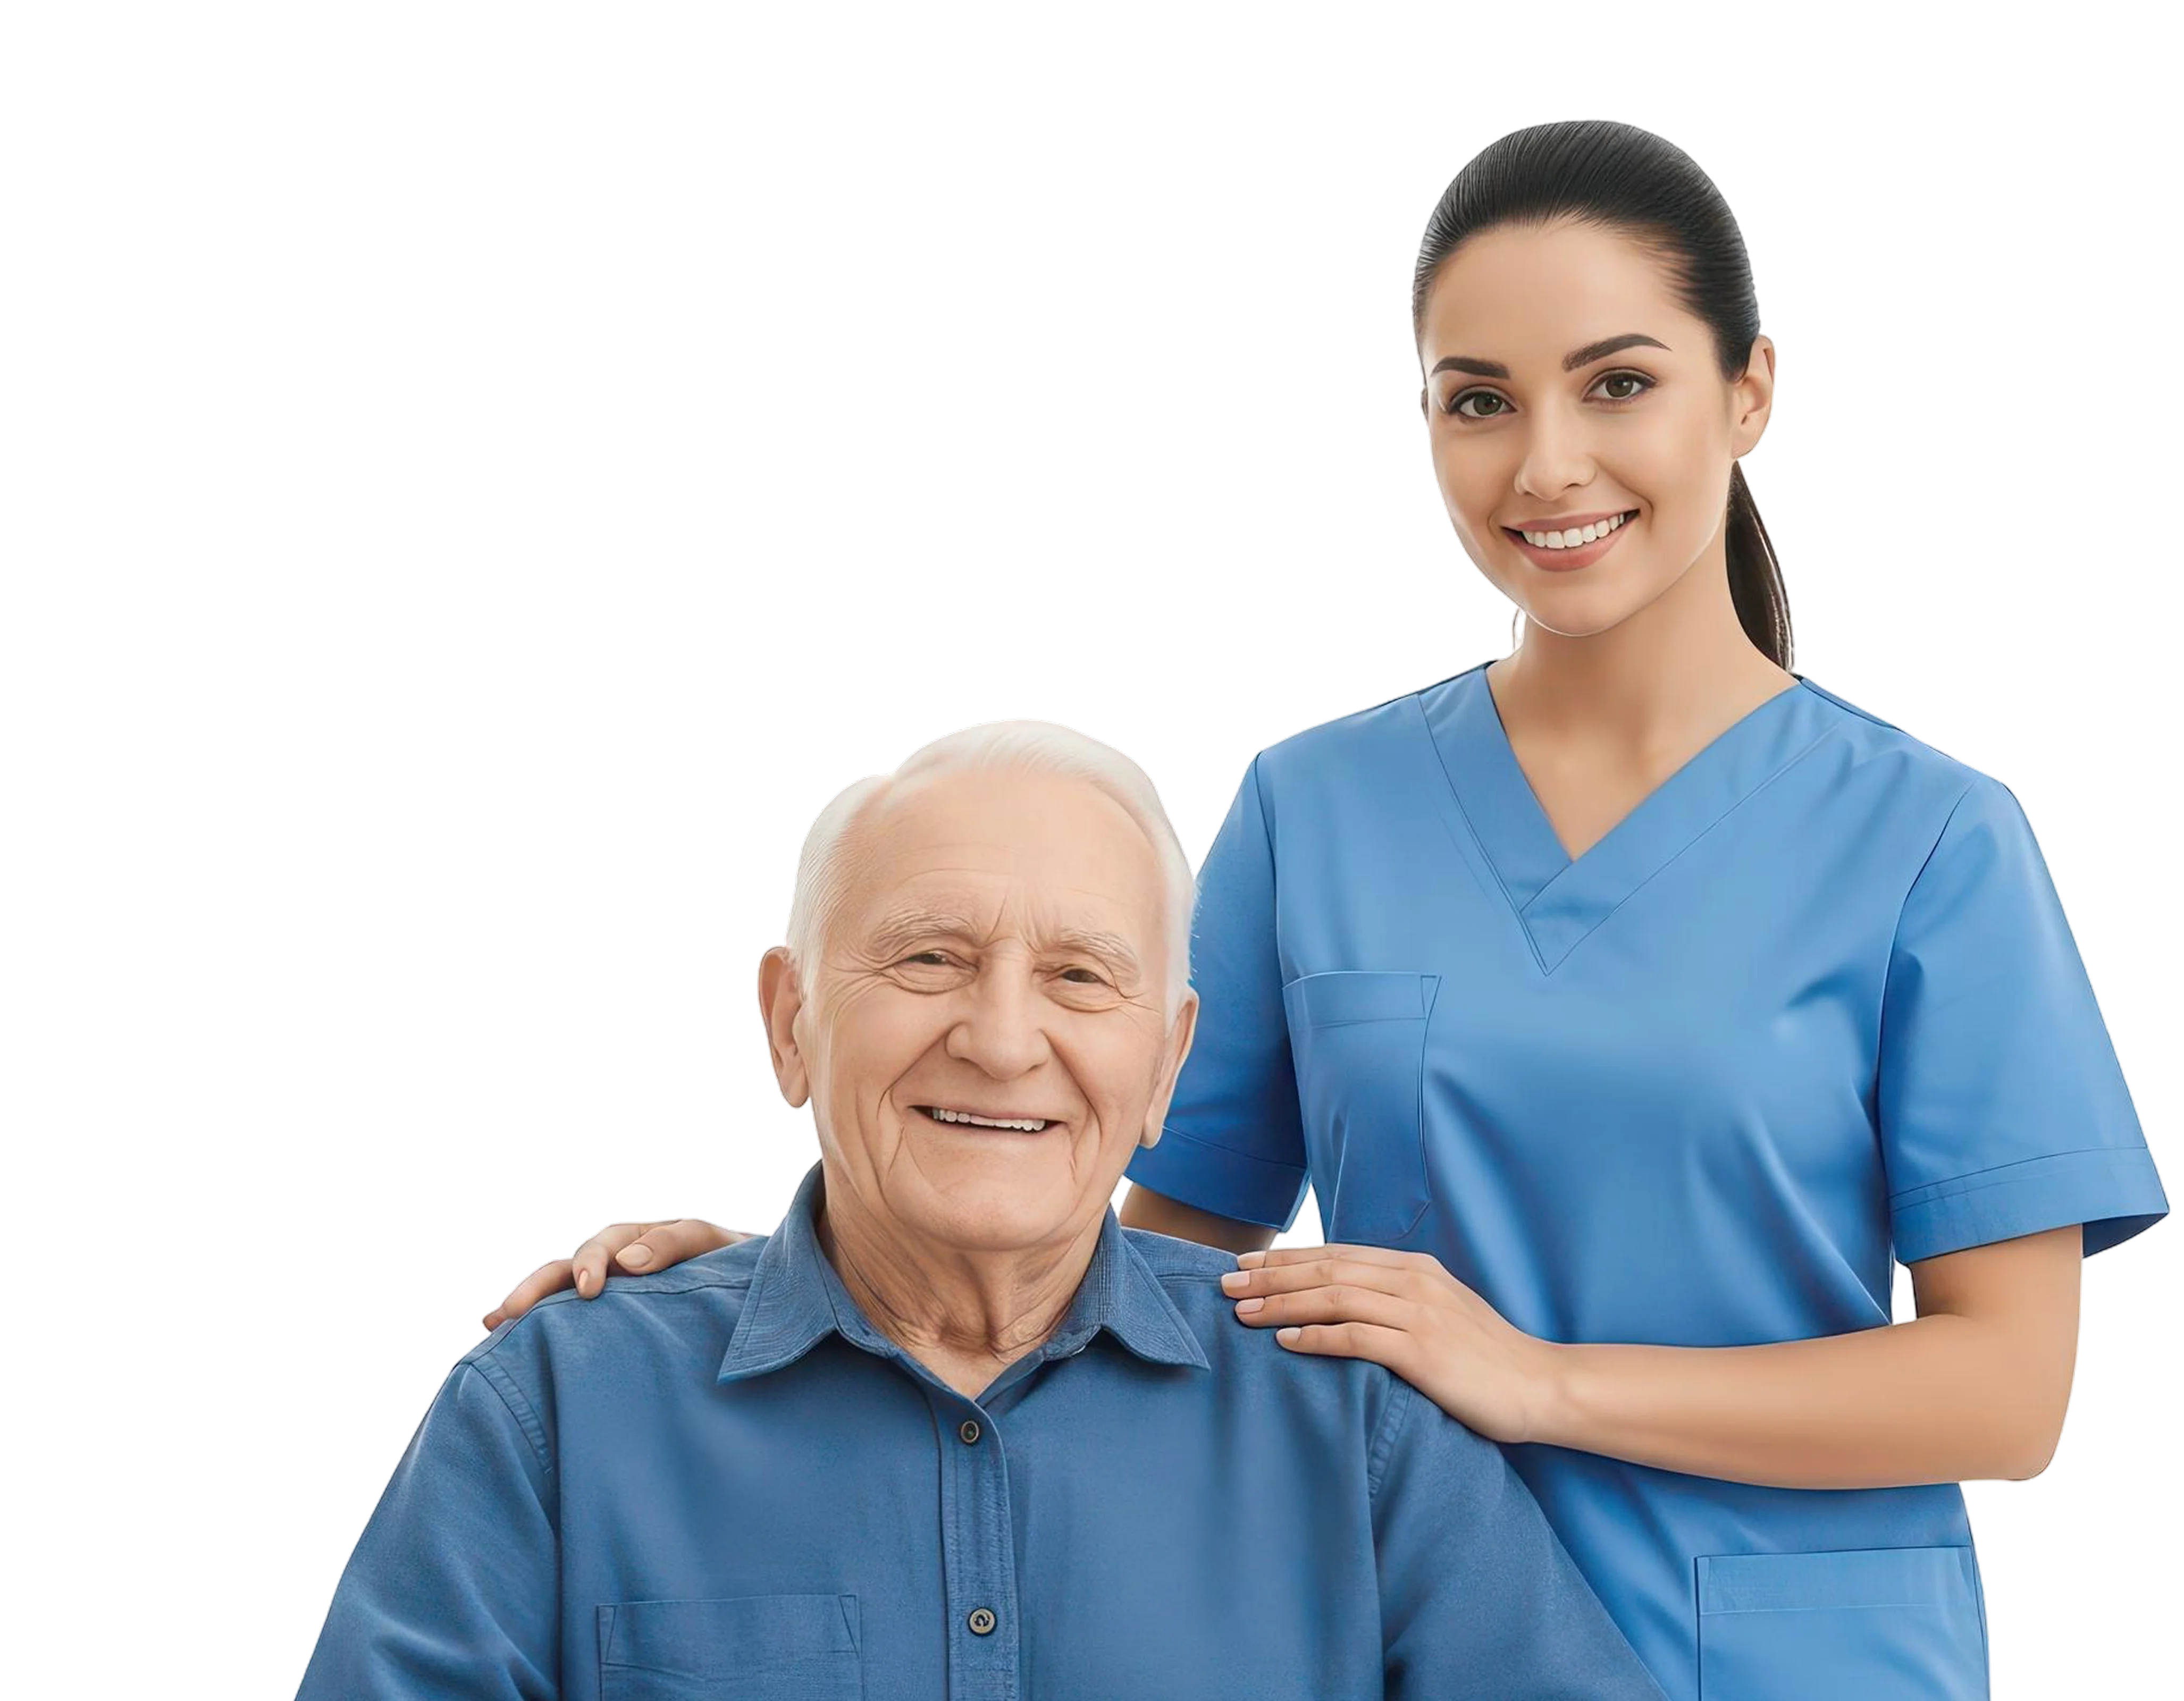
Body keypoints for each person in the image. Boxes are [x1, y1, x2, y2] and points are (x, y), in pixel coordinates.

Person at [475, 120, 2168, 1699]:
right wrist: (806, 1287)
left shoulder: (1931, 839)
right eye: (1477, 399)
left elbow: (2005, 1396)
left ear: (1747, 393)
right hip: (1369, 1633)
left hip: (1775, 1667)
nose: (1545, 462)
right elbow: (1128, 1249)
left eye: (1618, 383)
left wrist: (1538, 1381)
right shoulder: (1316, 801)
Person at [298, 721, 1668, 1699]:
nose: (1004, 1041)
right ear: (790, 1025)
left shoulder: (1352, 1419)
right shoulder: (556, 1405)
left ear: (1167, 1070)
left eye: (1080, 976)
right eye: (930, 957)